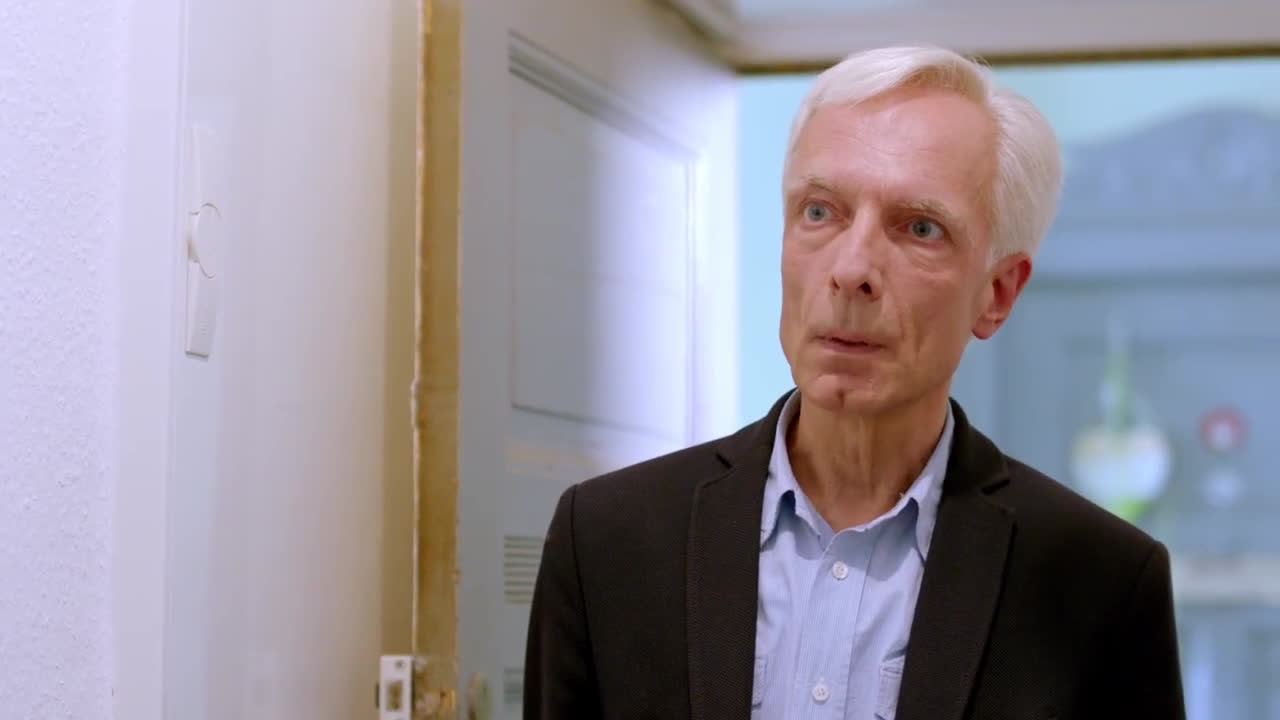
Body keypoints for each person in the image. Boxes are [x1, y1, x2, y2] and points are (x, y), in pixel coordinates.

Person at [524, 46, 1185, 720]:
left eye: (920, 227)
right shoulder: (606, 541)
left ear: (996, 293)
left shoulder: (1099, 582)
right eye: (820, 212)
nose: (851, 270)